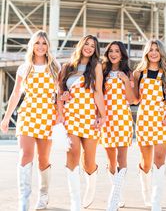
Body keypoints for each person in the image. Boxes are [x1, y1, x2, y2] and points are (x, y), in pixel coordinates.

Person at [0, 30, 60, 211]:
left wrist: (60, 115)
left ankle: (43, 195)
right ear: (32, 45)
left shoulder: (55, 66)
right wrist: (6, 117)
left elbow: (60, 94)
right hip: (27, 115)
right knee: (25, 155)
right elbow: (16, 93)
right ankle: (24, 200)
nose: (40, 46)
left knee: (43, 159)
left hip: (47, 116)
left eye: (44, 43)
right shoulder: (24, 67)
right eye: (37, 43)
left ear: (48, 46)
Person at [58, 35, 106, 210]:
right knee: (73, 152)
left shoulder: (96, 66)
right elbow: (61, 94)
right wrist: (63, 98)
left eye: (93, 46)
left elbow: (98, 92)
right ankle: (75, 201)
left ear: (95, 50)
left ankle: (91, 185)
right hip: (71, 116)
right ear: (80, 45)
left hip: (90, 117)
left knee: (89, 161)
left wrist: (103, 115)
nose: (89, 48)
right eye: (86, 44)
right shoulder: (67, 67)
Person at [133, 39, 166, 211]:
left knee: (159, 161)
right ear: (146, 52)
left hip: (162, 120)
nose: (153, 52)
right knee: (146, 162)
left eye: (156, 50)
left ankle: (156, 200)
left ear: (161, 53)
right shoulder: (139, 73)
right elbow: (135, 99)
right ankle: (146, 193)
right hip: (144, 119)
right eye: (150, 49)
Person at [101, 41, 137, 211]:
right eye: (111, 51)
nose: (114, 54)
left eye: (117, 51)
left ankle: (114, 198)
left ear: (122, 54)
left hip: (122, 118)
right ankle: (118, 192)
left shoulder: (128, 73)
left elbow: (131, 100)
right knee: (110, 161)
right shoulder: (102, 70)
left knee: (122, 158)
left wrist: (125, 80)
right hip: (106, 118)